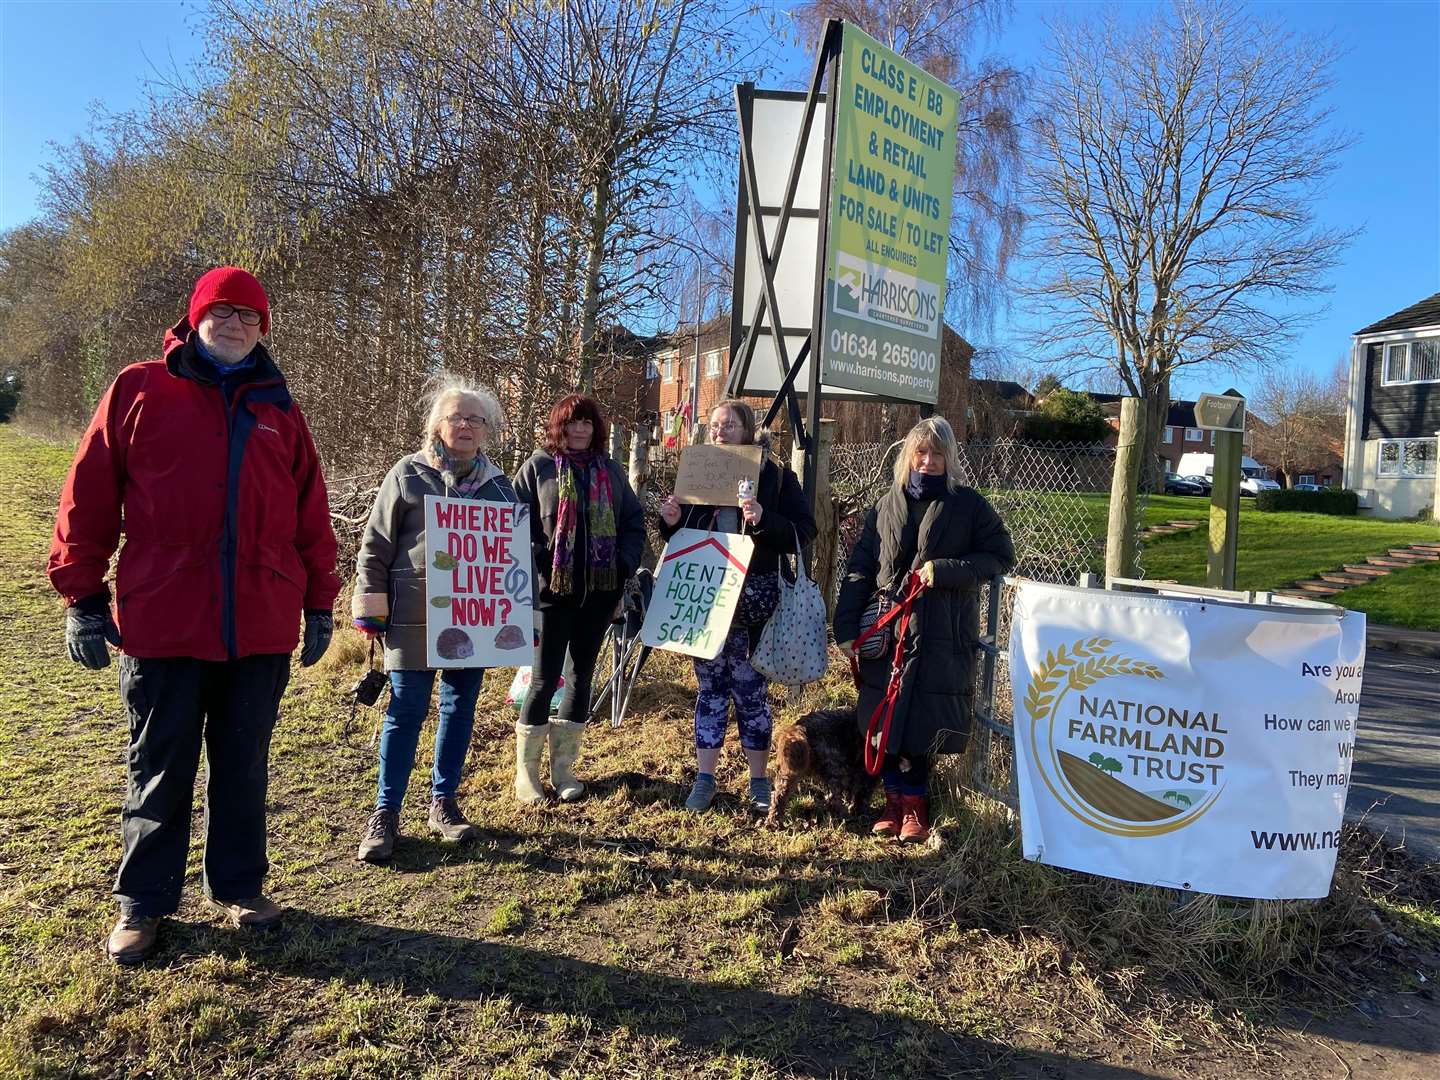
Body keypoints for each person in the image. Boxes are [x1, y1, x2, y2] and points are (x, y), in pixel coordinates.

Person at [48, 266, 340, 965]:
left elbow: (310, 513)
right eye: (223, 311)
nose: (235, 324)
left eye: (249, 315)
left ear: (262, 328)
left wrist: (321, 600)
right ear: (196, 317)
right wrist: (84, 597)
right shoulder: (140, 388)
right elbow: (88, 495)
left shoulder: (279, 408)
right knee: (160, 762)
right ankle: (143, 903)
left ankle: (239, 886)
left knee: (244, 764)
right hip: (165, 615)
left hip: (260, 621)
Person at [351, 379, 517, 862]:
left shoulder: (500, 487)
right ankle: (386, 810)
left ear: (487, 431)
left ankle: (443, 803)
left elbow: (511, 561)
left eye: (475, 419)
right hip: (411, 619)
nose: (465, 426)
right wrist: (371, 607)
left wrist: (518, 614)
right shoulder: (407, 474)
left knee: (459, 710)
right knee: (404, 713)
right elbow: (375, 546)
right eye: (456, 417)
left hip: (474, 622)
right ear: (437, 425)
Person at [832, 416, 1014, 843]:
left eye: (937, 453)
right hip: (888, 630)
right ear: (908, 455)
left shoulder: (968, 505)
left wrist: (948, 571)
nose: (928, 461)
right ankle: (892, 802)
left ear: (949, 458)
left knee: (920, 722)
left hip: (940, 633)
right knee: (886, 717)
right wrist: (846, 628)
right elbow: (860, 568)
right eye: (921, 452)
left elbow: (1000, 555)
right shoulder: (885, 506)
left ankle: (914, 805)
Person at [658, 400, 816, 814]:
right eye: (713, 426)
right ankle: (704, 779)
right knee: (709, 689)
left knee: (749, 691)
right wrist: (671, 519)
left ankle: (759, 780)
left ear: (748, 431)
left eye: (729, 425)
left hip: (752, 601)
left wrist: (764, 518)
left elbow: (804, 530)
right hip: (706, 597)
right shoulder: (699, 472)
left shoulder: (775, 476)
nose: (719, 432)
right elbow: (678, 535)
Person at [511, 394, 646, 804]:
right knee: (543, 678)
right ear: (560, 427)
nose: (581, 429)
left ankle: (564, 769)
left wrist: (623, 566)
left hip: (600, 595)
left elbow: (633, 522)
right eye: (573, 423)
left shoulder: (611, 471)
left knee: (581, 677)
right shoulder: (538, 469)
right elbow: (516, 522)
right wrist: (540, 561)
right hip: (553, 595)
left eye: (588, 422)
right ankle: (526, 774)